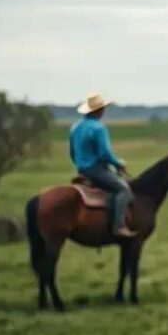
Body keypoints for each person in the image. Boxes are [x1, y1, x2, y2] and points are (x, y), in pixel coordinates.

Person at [69, 93, 136, 237]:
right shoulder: (99, 128)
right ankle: (119, 226)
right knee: (123, 189)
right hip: (96, 170)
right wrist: (118, 163)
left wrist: (81, 166)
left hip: (82, 170)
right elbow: (104, 154)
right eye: (103, 108)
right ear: (99, 111)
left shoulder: (75, 127)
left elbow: (72, 153)